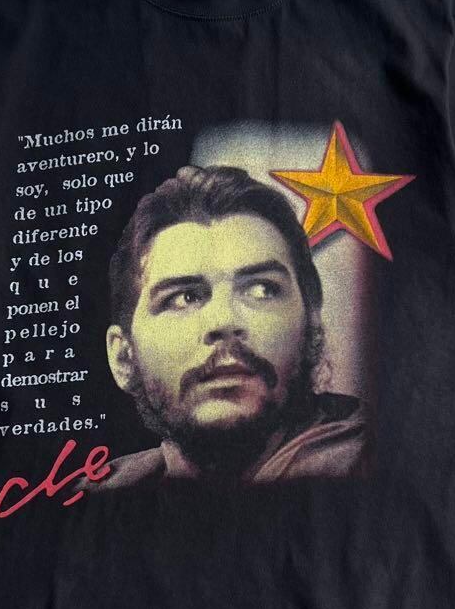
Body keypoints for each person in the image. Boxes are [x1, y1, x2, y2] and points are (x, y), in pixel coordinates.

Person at [89, 164, 369, 489]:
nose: (224, 320)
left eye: (261, 290)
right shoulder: (101, 492)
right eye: (184, 297)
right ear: (123, 358)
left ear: (313, 326)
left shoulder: (379, 461)